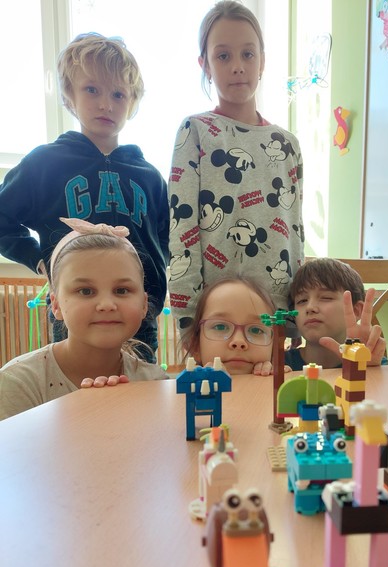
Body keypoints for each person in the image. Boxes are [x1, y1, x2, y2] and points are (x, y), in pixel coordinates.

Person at [0, 33, 169, 359]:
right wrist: (40, 260)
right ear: (69, 95)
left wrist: (153, 278)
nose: (106, 104)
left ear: (132, 101)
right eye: (92, 90)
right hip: (74, 309)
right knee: (77, 387)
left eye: (118, 94)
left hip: (137, 312)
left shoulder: (149, 175)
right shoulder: (44, 163)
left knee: (141, 386)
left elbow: (167, 237)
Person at [168, 0, 304, 331]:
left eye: (248, 54)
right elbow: (182, 229)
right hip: (216, 317)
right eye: (223, 56)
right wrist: (189, 324)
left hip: (275, 317)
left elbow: (295, 234)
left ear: (262, 62)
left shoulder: (287, 144)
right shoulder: (195, 131)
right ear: (205, 64)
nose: (238, 66)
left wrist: (295, 317)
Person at [0, 222, 168, 421]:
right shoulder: (18, 383)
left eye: (121, 290)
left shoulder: (154, 381)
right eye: (86, 291)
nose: (106, 305)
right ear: (56, 305)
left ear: (144, 304)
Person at [285, 257, 387, 370]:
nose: (310, 307)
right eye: (302, 301)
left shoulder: (372, 362)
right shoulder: (280, 365)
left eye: (326, 298)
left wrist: (365, 370)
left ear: (356, 310)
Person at [181, 275, 275, 376]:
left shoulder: (278, 379)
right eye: (220, 327)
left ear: (274, 348)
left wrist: (278, 379)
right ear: (196, 347)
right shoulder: (187, 384)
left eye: (256, 330)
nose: (239, 341)